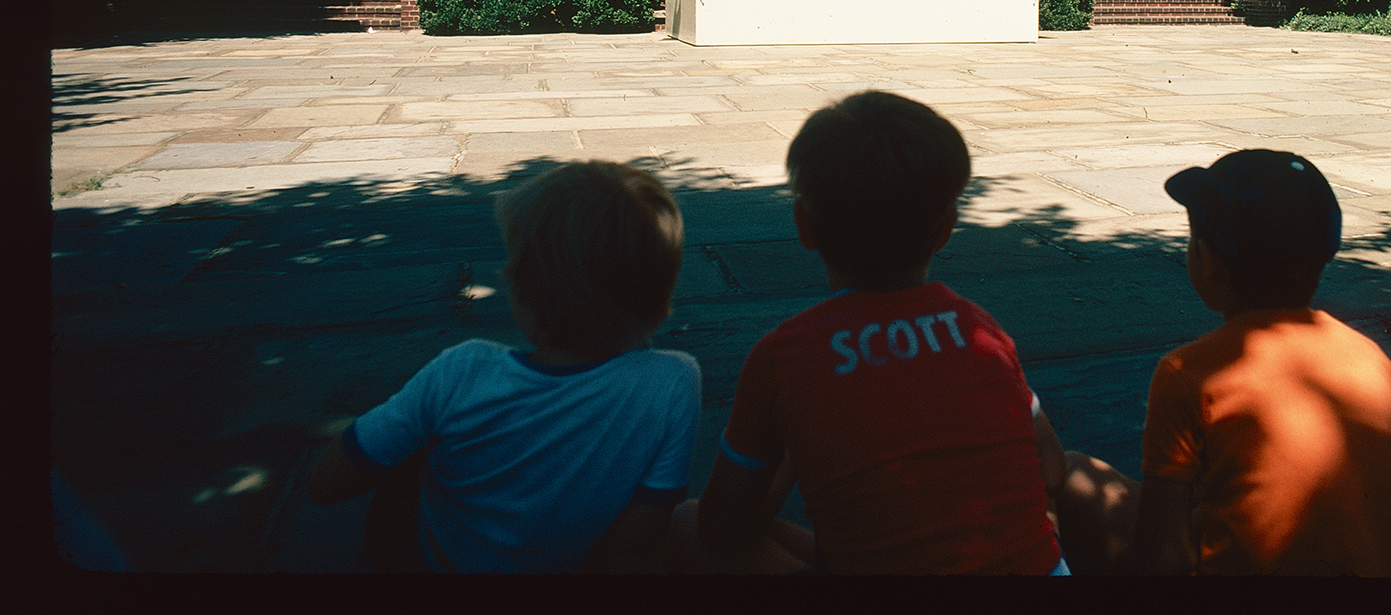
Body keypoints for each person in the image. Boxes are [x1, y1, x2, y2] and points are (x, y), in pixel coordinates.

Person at [673, 91, 1069, 574]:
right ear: (946, 228)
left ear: (803, 226)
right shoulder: (979, 330)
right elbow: (1053, 468)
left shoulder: (785, 357)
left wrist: (798, 445)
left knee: (688, 523)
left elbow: (723, 528)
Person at [306, 161, 700, 573]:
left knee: (413, 449)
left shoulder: (463, 371)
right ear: (661, 293)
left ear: (522, 289)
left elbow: (325, 483)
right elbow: (636, 540)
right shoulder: (675, 382)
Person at [1054, 149, 1391, 575]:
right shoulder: (1371, 358)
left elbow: (1163, 559)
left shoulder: (1188, 373)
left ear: (1209, 263)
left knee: (1073, 476)